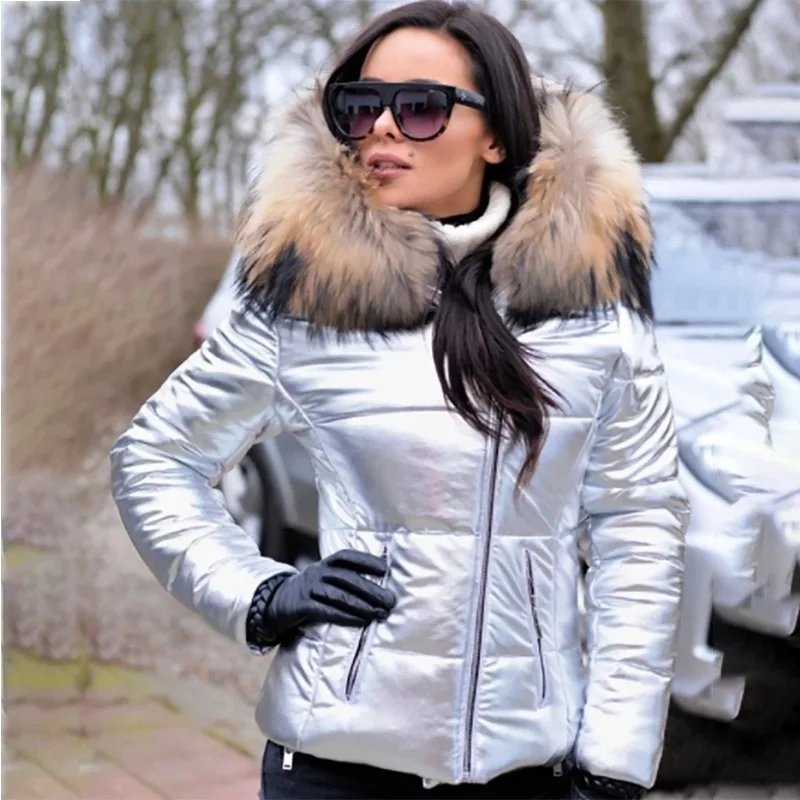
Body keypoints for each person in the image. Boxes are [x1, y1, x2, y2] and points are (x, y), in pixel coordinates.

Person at [110, 1, 689, 798]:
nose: (382, 127)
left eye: (419, 106)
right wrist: (260, 593)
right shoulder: (306, 304)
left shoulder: (591, 313)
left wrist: (616, 761)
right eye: (361, 106)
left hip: (529, 766)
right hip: (334, 762)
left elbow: (639, 525)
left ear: (496, 135)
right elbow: (154, 458)